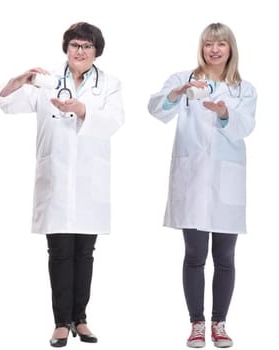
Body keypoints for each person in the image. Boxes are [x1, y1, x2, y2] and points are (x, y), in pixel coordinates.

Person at [0, 21, 123, 348]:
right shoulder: (47, 81)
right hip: (54, 179)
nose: (80, 51)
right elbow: (6, 104)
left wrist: (81, 109)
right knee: (60, 252)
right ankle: (61, 323)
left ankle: (81, 318)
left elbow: (114, 122)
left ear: (96, 52)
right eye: (75, 45)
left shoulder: (109, 85)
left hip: (88, 182)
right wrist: (16, 81)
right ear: (66, 48)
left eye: (87, 47)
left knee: (85, 252)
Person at [146, 23, 255, 349]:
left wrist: (224, 113)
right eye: (209, 43)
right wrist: (178, 93)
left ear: (230, 48)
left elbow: (246, 125)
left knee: (225, 256)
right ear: (202, 47)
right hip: (192, 179)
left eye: (221, 44)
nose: (214, 49)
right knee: (194, 255)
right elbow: (155, 109)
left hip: (227, 181)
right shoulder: (183, 79)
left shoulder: (244, 89)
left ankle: (219, 324)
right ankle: (197, 324)